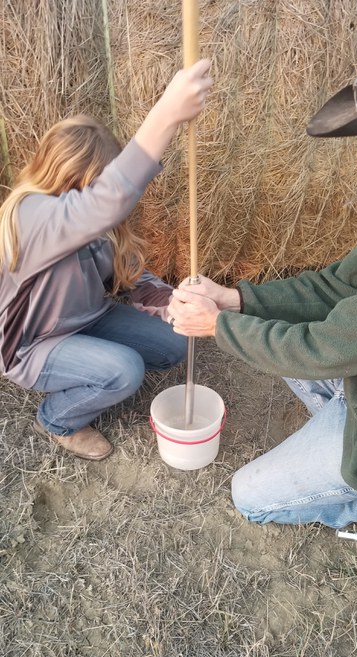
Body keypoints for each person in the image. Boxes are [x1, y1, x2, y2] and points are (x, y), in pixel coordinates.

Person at [168, 46, 357, 529]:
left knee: (250, 498)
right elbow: (334, 288)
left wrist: (218, 326)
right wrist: (235, 300)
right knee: (272, 327)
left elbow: (317, 350)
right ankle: (340, 422)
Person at [0, 59, 213, 461]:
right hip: (33, 345)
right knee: (124, 370)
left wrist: (172, 301)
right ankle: (58, 419)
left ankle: (92, 364)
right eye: (99, 183)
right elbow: (107, 202)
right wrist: (166, 114)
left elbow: (129, 275)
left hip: (88, 319)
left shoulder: (94, 222)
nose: (109, 201)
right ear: (69, 177)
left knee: (175, 342)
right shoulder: (30, 216)